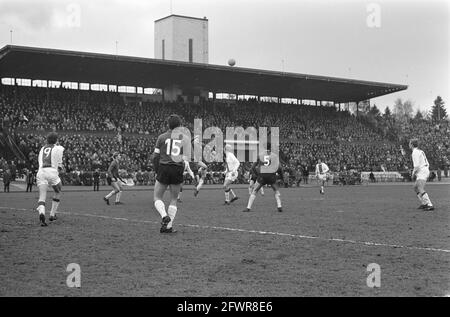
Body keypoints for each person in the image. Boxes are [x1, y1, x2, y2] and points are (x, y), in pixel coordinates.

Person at [152, 114, 188, 233]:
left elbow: (155, 157)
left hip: (164, 167)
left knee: (157, 197)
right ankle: (168, 226)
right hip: (177, 168)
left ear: (168, 125)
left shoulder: (161, 137)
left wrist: (157, 170)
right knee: (174, 199)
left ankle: (163, 216)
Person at [36, 132, 65, 226]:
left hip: (41, 172)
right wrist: (59, 169)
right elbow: (60, 165)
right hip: (52, 172)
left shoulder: (42, 148)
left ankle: (41, 212)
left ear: (47, 140)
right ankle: (52, 214)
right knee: (58, 190)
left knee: (42, 196)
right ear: (56, 140)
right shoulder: (59, 148)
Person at [410, 139, 434, 211]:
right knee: (415, 187)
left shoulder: (414, 152)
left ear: (411, 144)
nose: (409, 144)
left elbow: (416, 166)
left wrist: (413, 173)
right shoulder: (420, 151)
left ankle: (429, 204)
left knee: (420, 188)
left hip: (422, 171)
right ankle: (424, 203)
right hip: (423, 170)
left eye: (409, 143)